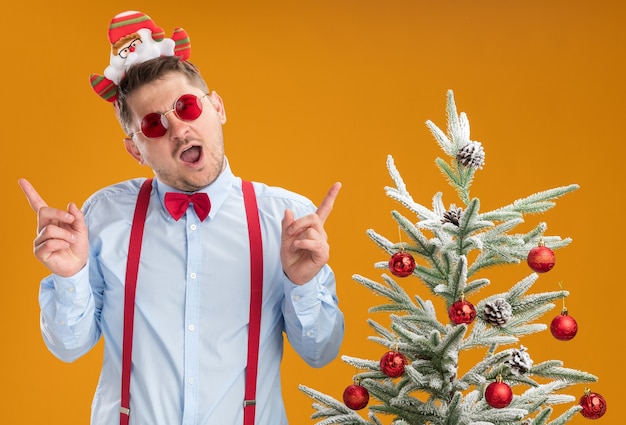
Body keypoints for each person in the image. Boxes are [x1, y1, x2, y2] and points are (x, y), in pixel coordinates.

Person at [18, 12, 344, 425]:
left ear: (217, 108)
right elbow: (68, 346)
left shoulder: (282, 218)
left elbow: (321, 352)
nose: (178, 129)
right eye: (153, 124)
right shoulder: (103, 216)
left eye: (186, 106)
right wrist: (70, 276)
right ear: (135, 150)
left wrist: (305, 283)